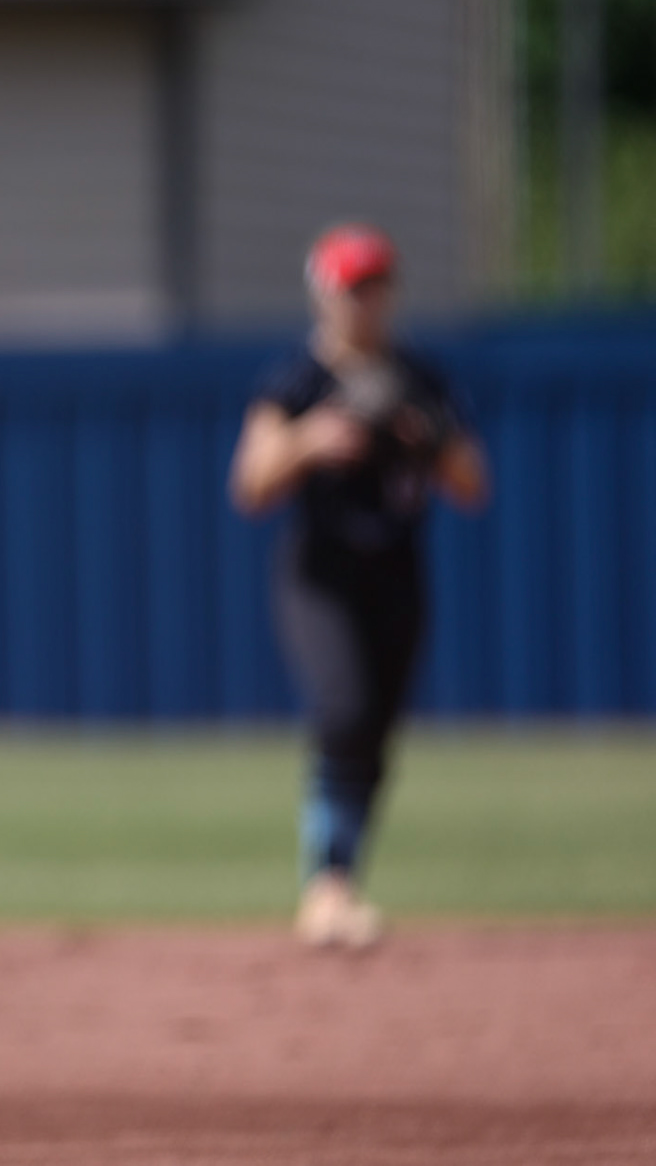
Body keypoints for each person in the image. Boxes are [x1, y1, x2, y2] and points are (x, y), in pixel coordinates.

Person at [227, 223, 489, 950]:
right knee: (342, 708)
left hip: (398, 571)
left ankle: (338, 882)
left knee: (373, 730)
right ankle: (327, 888)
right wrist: (311, 440)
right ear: (325, 295)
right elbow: (249, 484)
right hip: (321, 574)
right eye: (352, 288)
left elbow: (472, 483)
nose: (366, 302)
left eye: (377, 286)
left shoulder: (419, 379)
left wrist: (429, 438)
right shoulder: (298, 381)